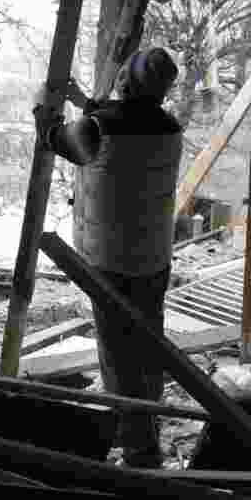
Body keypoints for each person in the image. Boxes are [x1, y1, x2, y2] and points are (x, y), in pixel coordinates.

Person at [33, 47, 182, 468]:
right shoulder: (169, 126)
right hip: (154, 257)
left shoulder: (100, 128)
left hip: (111, 262)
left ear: (126, 81)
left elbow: (60, 140)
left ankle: (139, 450)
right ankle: (149, 422)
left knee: (118, 355)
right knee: (149, 344)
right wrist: (83, 101)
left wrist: (43, 115)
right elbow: (117, 119)